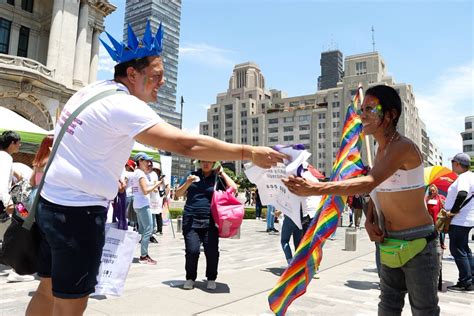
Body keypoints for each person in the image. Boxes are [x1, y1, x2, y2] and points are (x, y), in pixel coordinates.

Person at [26, 22, 286, 316]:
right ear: (133, 74)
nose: (162, 82)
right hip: (77, 214)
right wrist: (247, 151)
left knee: (46, 290)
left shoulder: (90, 91)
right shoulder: (124, 105)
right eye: (156, 76)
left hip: (49, 203)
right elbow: (186, 145)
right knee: (70, 304)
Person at [283, 85, 441, 315]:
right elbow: (377, 192)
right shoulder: (380, 150)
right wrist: (369, 219)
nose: (362, 114)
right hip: (388, 241)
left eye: (370, 109)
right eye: (361, 108)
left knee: (424, 310)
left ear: (390, 115)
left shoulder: (403, 147)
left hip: (419, 243)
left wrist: (315, 188)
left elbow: (369, 182)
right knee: (388, 306)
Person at [175, 161, 237, 290]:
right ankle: (190, 278)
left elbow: (234, 188)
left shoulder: (216, 178)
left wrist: (222, 172)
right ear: (199, 163)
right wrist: (188, 182)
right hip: (191, 219)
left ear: (214, 163)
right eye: (203, 161)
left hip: (211, 220)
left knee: (212, 252)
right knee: (192, 251)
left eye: (209, 161)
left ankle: (211, 278)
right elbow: (177, 194)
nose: (206, 164)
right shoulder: (191, 175)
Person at [0, 131, 35, 283]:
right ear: (12, 143)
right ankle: (16, 270)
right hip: (10, 201)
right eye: (18, 142)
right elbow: (1, 183)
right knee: (23, 226)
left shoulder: (7, 158)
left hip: (13, 200)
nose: (20, 145)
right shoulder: (5, 158)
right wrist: (7, 202)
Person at [445, 153, 473, 292]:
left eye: (453, 162)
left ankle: (465, 282)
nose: (452, 165)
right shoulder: (471, 176)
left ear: (457, 164)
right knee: (465, 250)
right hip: (467, 219)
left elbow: (462, 193)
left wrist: (453, 211)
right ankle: (471, 279)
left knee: (457, 249)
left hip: (460, 220)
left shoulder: (463, 177)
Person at [132, 152, 161, 263]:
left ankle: (142, 254)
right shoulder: (140, 174)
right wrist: (156, 185)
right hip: (143, 204)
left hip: (138, 204)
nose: (149, 163)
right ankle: (144, 256)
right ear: (140, 161)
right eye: (146, 161)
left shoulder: (136, 173)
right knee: (149, 229)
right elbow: (145, 191)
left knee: (143, 230)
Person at [425, 184, 446, 249]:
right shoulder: (427, 198)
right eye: (430, 191)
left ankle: (442, 244)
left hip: (438, 218)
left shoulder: (441, 197)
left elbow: (445, 205)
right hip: (430, 218)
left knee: (441, 232)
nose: (432, 192)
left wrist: (443, 203)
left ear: (436, 190)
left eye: (433, 190)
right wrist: (427, 199)